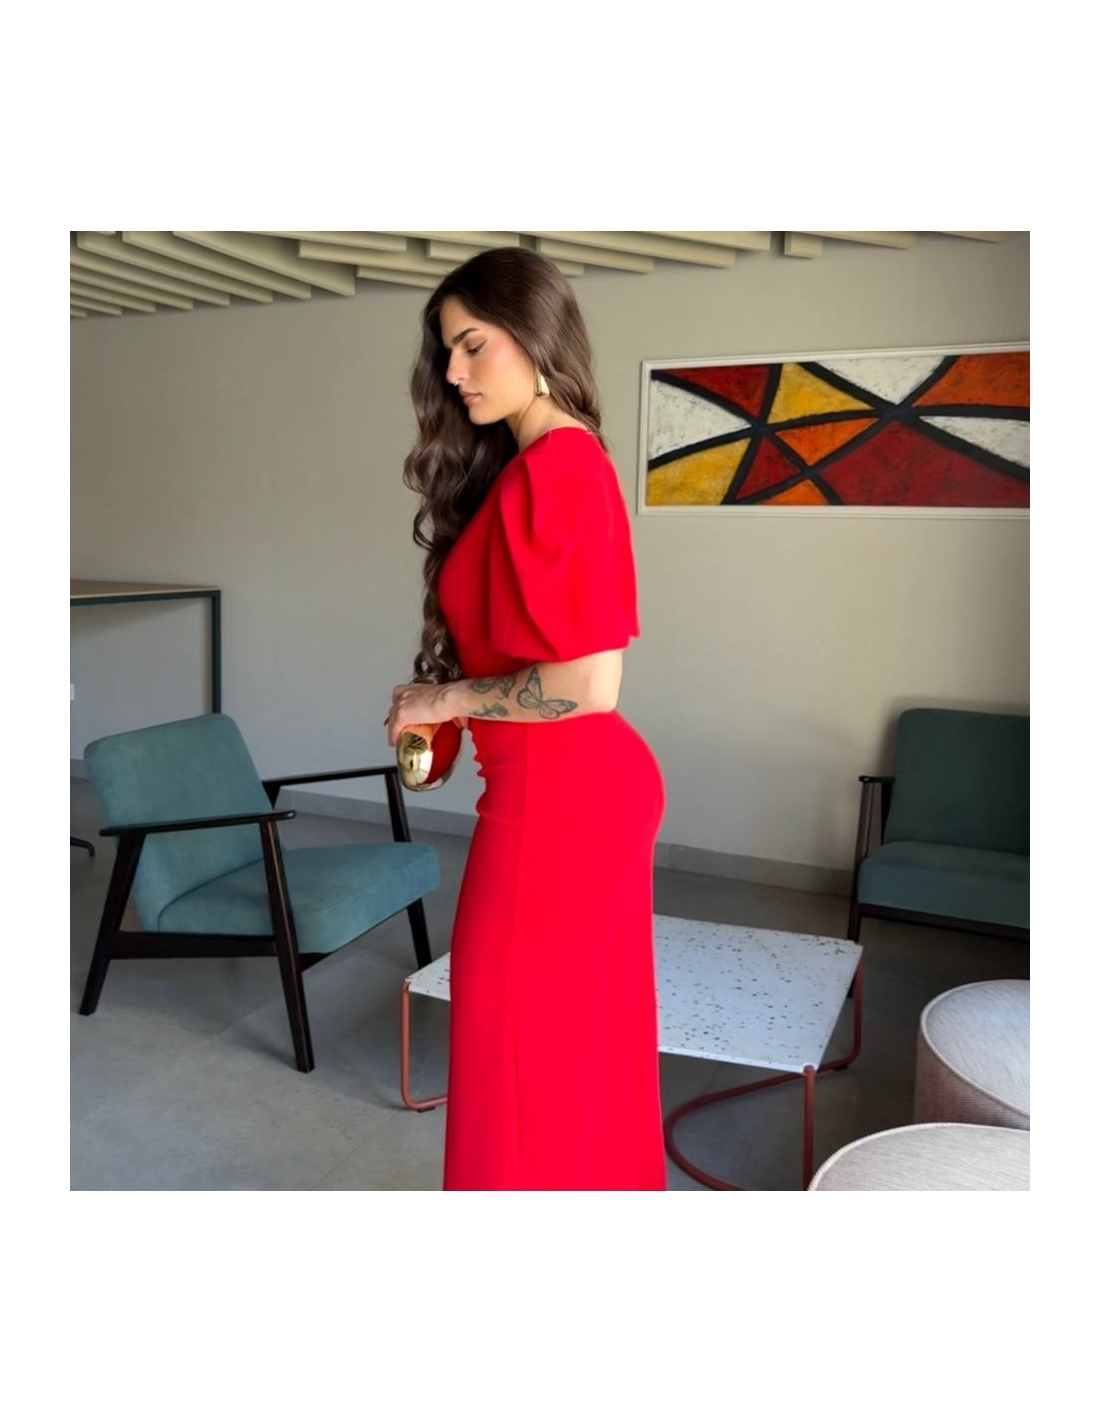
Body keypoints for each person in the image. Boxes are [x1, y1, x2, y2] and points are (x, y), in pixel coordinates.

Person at [387, 247, 667, 1190]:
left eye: (473, 345)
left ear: (537, 336)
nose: (454, 371)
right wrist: (448, 702)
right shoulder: (535, 466)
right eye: (447, 351)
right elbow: (532, 660)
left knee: (514, 1053)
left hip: (563, 801)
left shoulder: (561, 467)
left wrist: (446, 698)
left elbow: (588, 684)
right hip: (557, 789)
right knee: (562, 1056)